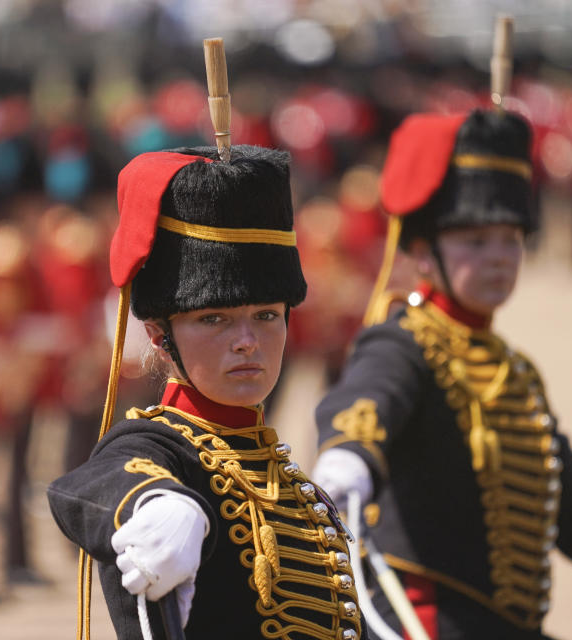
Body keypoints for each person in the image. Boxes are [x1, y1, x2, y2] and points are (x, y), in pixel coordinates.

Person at [313, 108, 572, 640]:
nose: (499, 258)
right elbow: (367, 398)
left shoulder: (515, 373)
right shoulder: (403, 342)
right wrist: (349, 454)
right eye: (475, 240)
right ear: (422, 250)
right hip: (423, 626)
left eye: (511, 238)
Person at [47, 145, 365, 640]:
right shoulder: (162, 451)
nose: (246, 340)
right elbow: (94, 481)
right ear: (159, 335)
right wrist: (154, 502)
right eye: (213, 319)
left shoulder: (292, 481)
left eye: (266, 316)